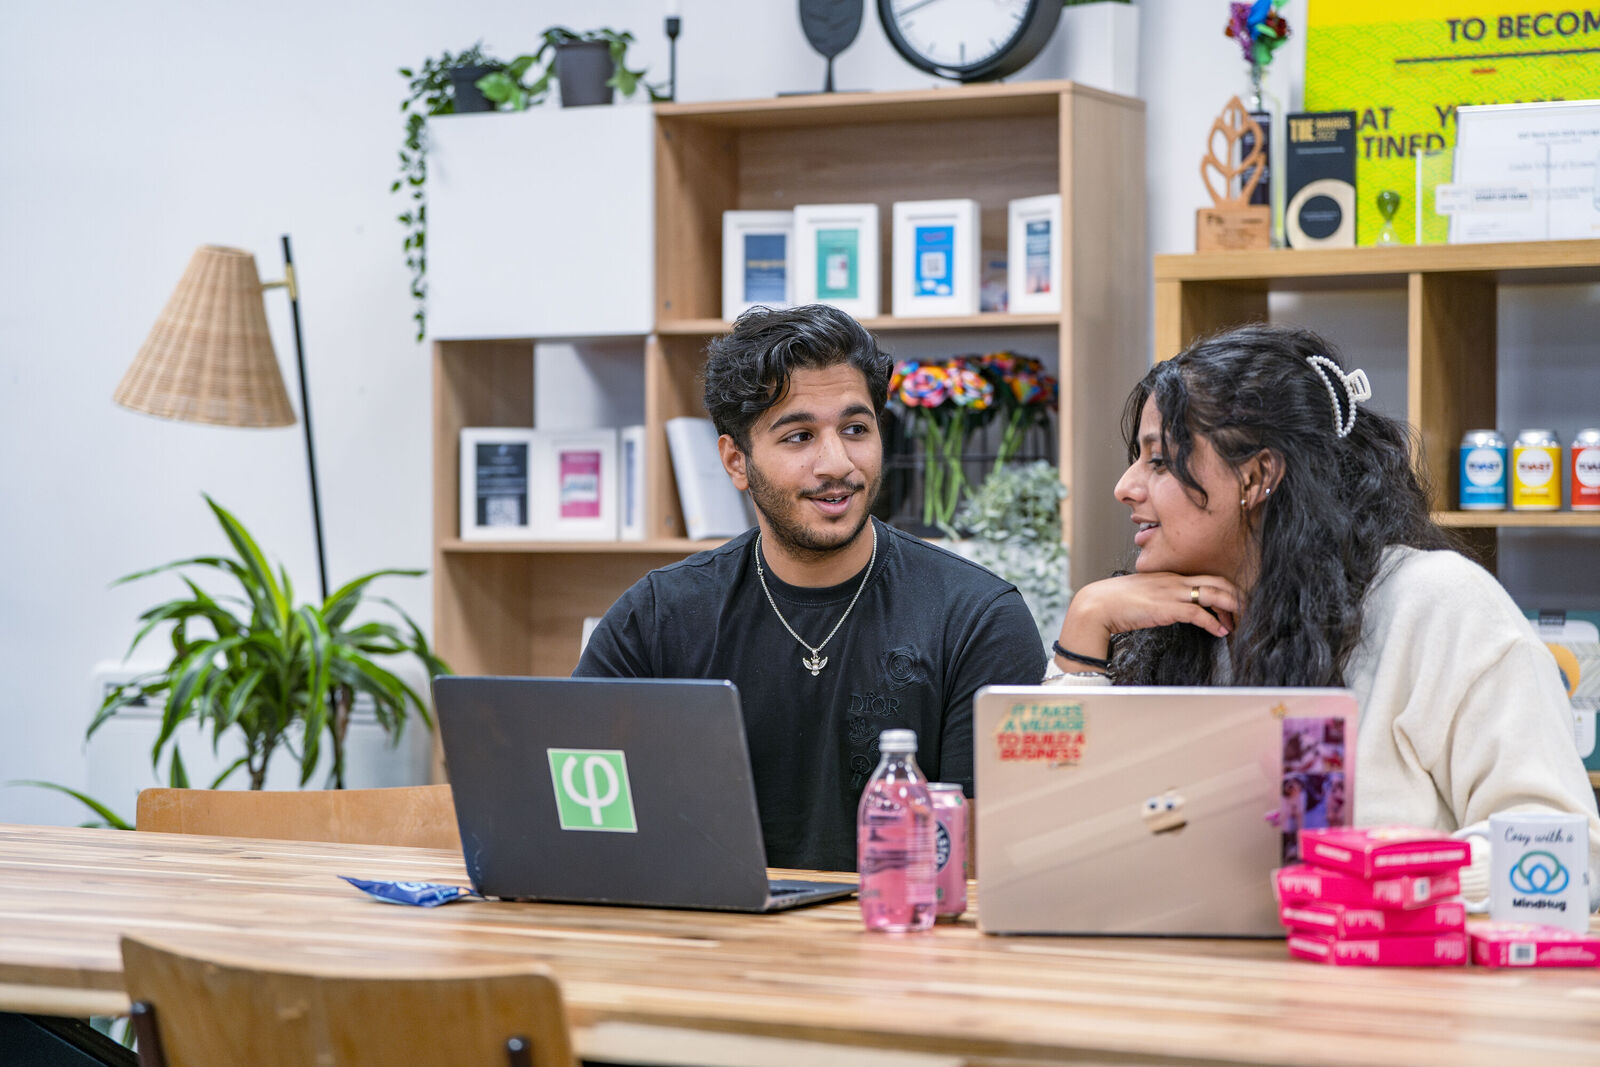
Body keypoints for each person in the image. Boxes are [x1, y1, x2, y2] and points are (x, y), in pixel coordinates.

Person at [1048, 322, 1600, 905]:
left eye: (1159, 462)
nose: (1125, 487)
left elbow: (1566, 847)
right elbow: (1055, 847)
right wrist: (1085, 627)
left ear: (1258, 476)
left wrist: (1357, 884)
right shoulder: (1163, 622)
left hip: (1385, 986)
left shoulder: (1436, 601)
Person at [576, 304, 1046, 871]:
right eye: (799, 436)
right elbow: (579, 806)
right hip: (709, 944)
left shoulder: (977, 617)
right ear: (736, 461)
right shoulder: (657, 616)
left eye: (856, 429)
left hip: (903, 942)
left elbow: (985, 865)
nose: (838, 463)